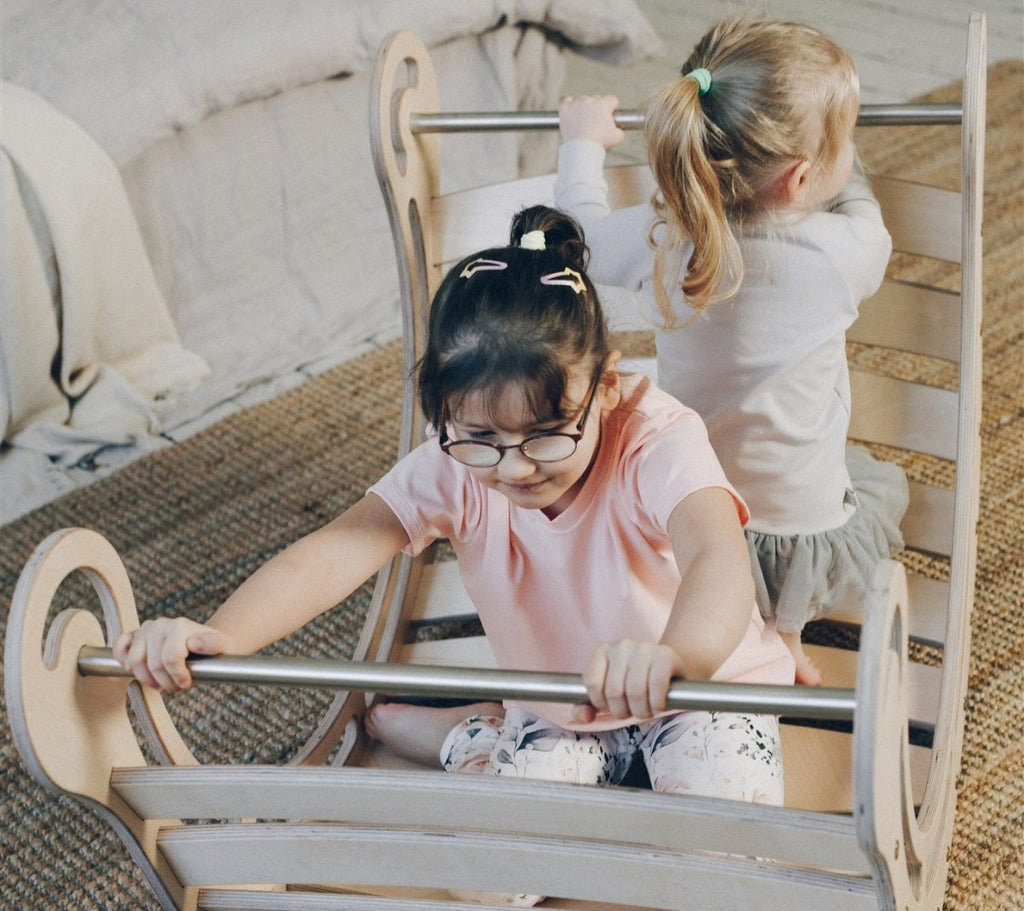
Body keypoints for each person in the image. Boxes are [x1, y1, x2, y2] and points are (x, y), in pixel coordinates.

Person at [113, 206, 793, 823]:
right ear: (444, 415)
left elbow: (716, 554)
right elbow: (338, 547)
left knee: (726, 851)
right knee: (503, 875)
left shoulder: (657, 437)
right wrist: (223, 634)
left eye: (549, 433)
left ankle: (484, 739)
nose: (515, 467)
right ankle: (473, 733)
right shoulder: (450, 459)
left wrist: (676, 657)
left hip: (700, 685)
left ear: (605, 388)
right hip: (562, 707)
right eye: (480, 440)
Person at [555, 17, 908, 685]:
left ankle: (734, 622)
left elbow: (574, 236)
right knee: (855, 478)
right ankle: (785, 633)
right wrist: (850, 161)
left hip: (684, 516)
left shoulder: (666, 238)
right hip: (797, 533)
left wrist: (581, 145)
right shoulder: (842, 254)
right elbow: (866, 211)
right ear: (800, 179)